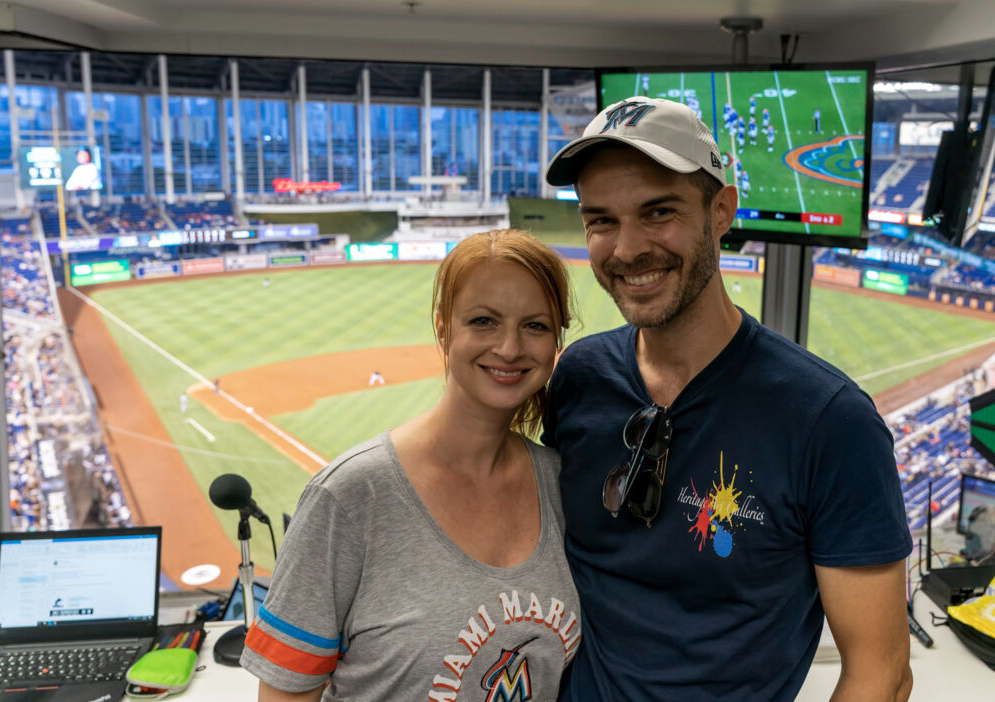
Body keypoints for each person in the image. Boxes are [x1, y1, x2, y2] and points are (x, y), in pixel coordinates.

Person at [543, 97, 912, 701]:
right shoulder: (579, 376)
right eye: (600, 220)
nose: (627, 248)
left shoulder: (831, 422)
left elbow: (882, 676)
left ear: (721, 211)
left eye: (658, 212)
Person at [241, 229, 581, 701]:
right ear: (443, 329)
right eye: (483, 321)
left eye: (535, 326)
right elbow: (283, 694)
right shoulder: (349, 496)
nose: (509, 347)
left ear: (557, 340)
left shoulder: (563, 484)